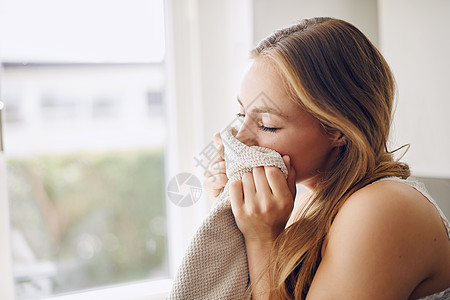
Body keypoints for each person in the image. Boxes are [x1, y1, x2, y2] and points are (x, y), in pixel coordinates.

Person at [203, 17, 450, 299]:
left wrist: (261, 238)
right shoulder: (305, 200)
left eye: (267, 124)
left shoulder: (382, 208)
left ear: (338, 129)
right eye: (242, 114)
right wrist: (230, 207)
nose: (240, 138)